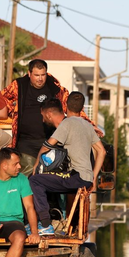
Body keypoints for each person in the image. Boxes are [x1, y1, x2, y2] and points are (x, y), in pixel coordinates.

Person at [29, 100, 106, 236]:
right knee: (50, 179)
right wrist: (93, 177)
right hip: (85, 178)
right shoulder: (87, 125)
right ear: (81, 108)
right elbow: (102, 151)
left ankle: (45, 224)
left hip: (76, 176)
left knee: (35, 180)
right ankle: (58, 221)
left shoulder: (67, 123)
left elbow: (48, 145)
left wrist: (37, 162)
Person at [1, 59, 72, 175]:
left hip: (50, 141)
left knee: (48, 179)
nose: (40, 78)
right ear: (29, 74)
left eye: (43, 75)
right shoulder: (19, 85)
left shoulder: (54, 87)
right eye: (36, 75)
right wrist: (11, 112)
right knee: (25, 177)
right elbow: (2, 99)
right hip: (25, 142)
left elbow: (71, 106)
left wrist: (87, 126)